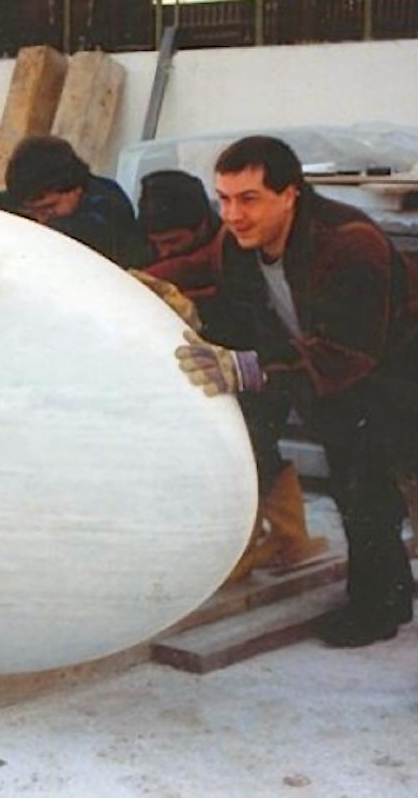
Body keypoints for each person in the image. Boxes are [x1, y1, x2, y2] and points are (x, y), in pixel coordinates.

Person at [174, 135, 418, 719]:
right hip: (384, 395)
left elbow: (345, 352)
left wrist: (246, 369)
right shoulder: (239, 247)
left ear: (291, 194)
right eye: (224, 199)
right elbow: (223, 299)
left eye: (249, 199)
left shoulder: (348, 243)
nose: (233, 215)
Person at [135, 169, 327, 582]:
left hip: (259, 369)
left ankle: (253, 548)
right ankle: (286, 538)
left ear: (201, 226)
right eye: (158, 244)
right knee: (248, 455)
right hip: (211, 375)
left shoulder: (235, 253)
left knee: (249, 455)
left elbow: (251, 320)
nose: (164, 251)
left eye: (173, 242)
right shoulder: (170, 259)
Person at [0, 135, 150, 268]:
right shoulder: (34, 193)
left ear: (76, 190)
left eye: (49, 208)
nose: (41, 219)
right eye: (32, 211)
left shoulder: (107, 208)